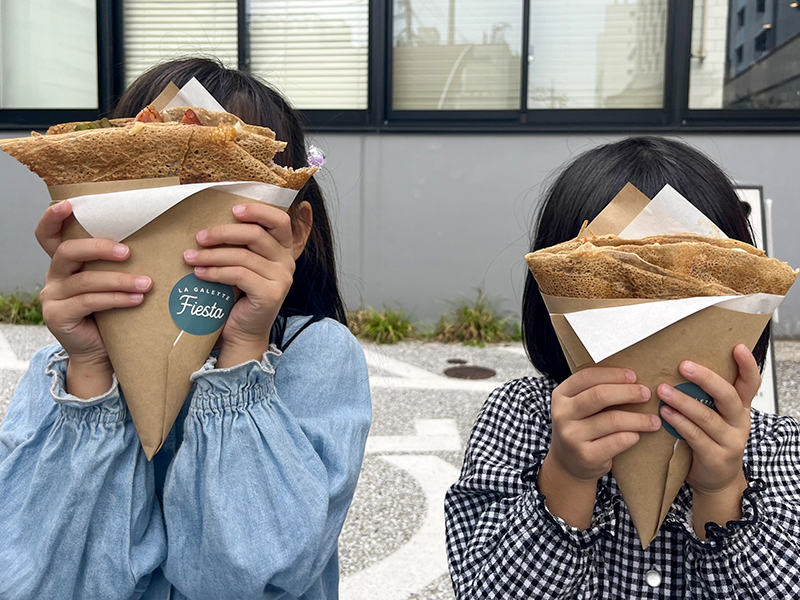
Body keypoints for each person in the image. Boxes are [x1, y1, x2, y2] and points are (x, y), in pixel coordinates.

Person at [0, 58, 371, 600]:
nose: (177, 236)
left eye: (215, 202)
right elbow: (37, 580)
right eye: (140, 206)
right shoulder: (58, 376)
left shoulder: (315, 354)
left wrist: (242, 350)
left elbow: (254, 578)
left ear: (292, 233)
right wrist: (90, 370)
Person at [445, 136, 800, 598]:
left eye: (695, 307)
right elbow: (483, 589)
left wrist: (723, 488)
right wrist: (567, 475)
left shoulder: (775, 447)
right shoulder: (521, 420)